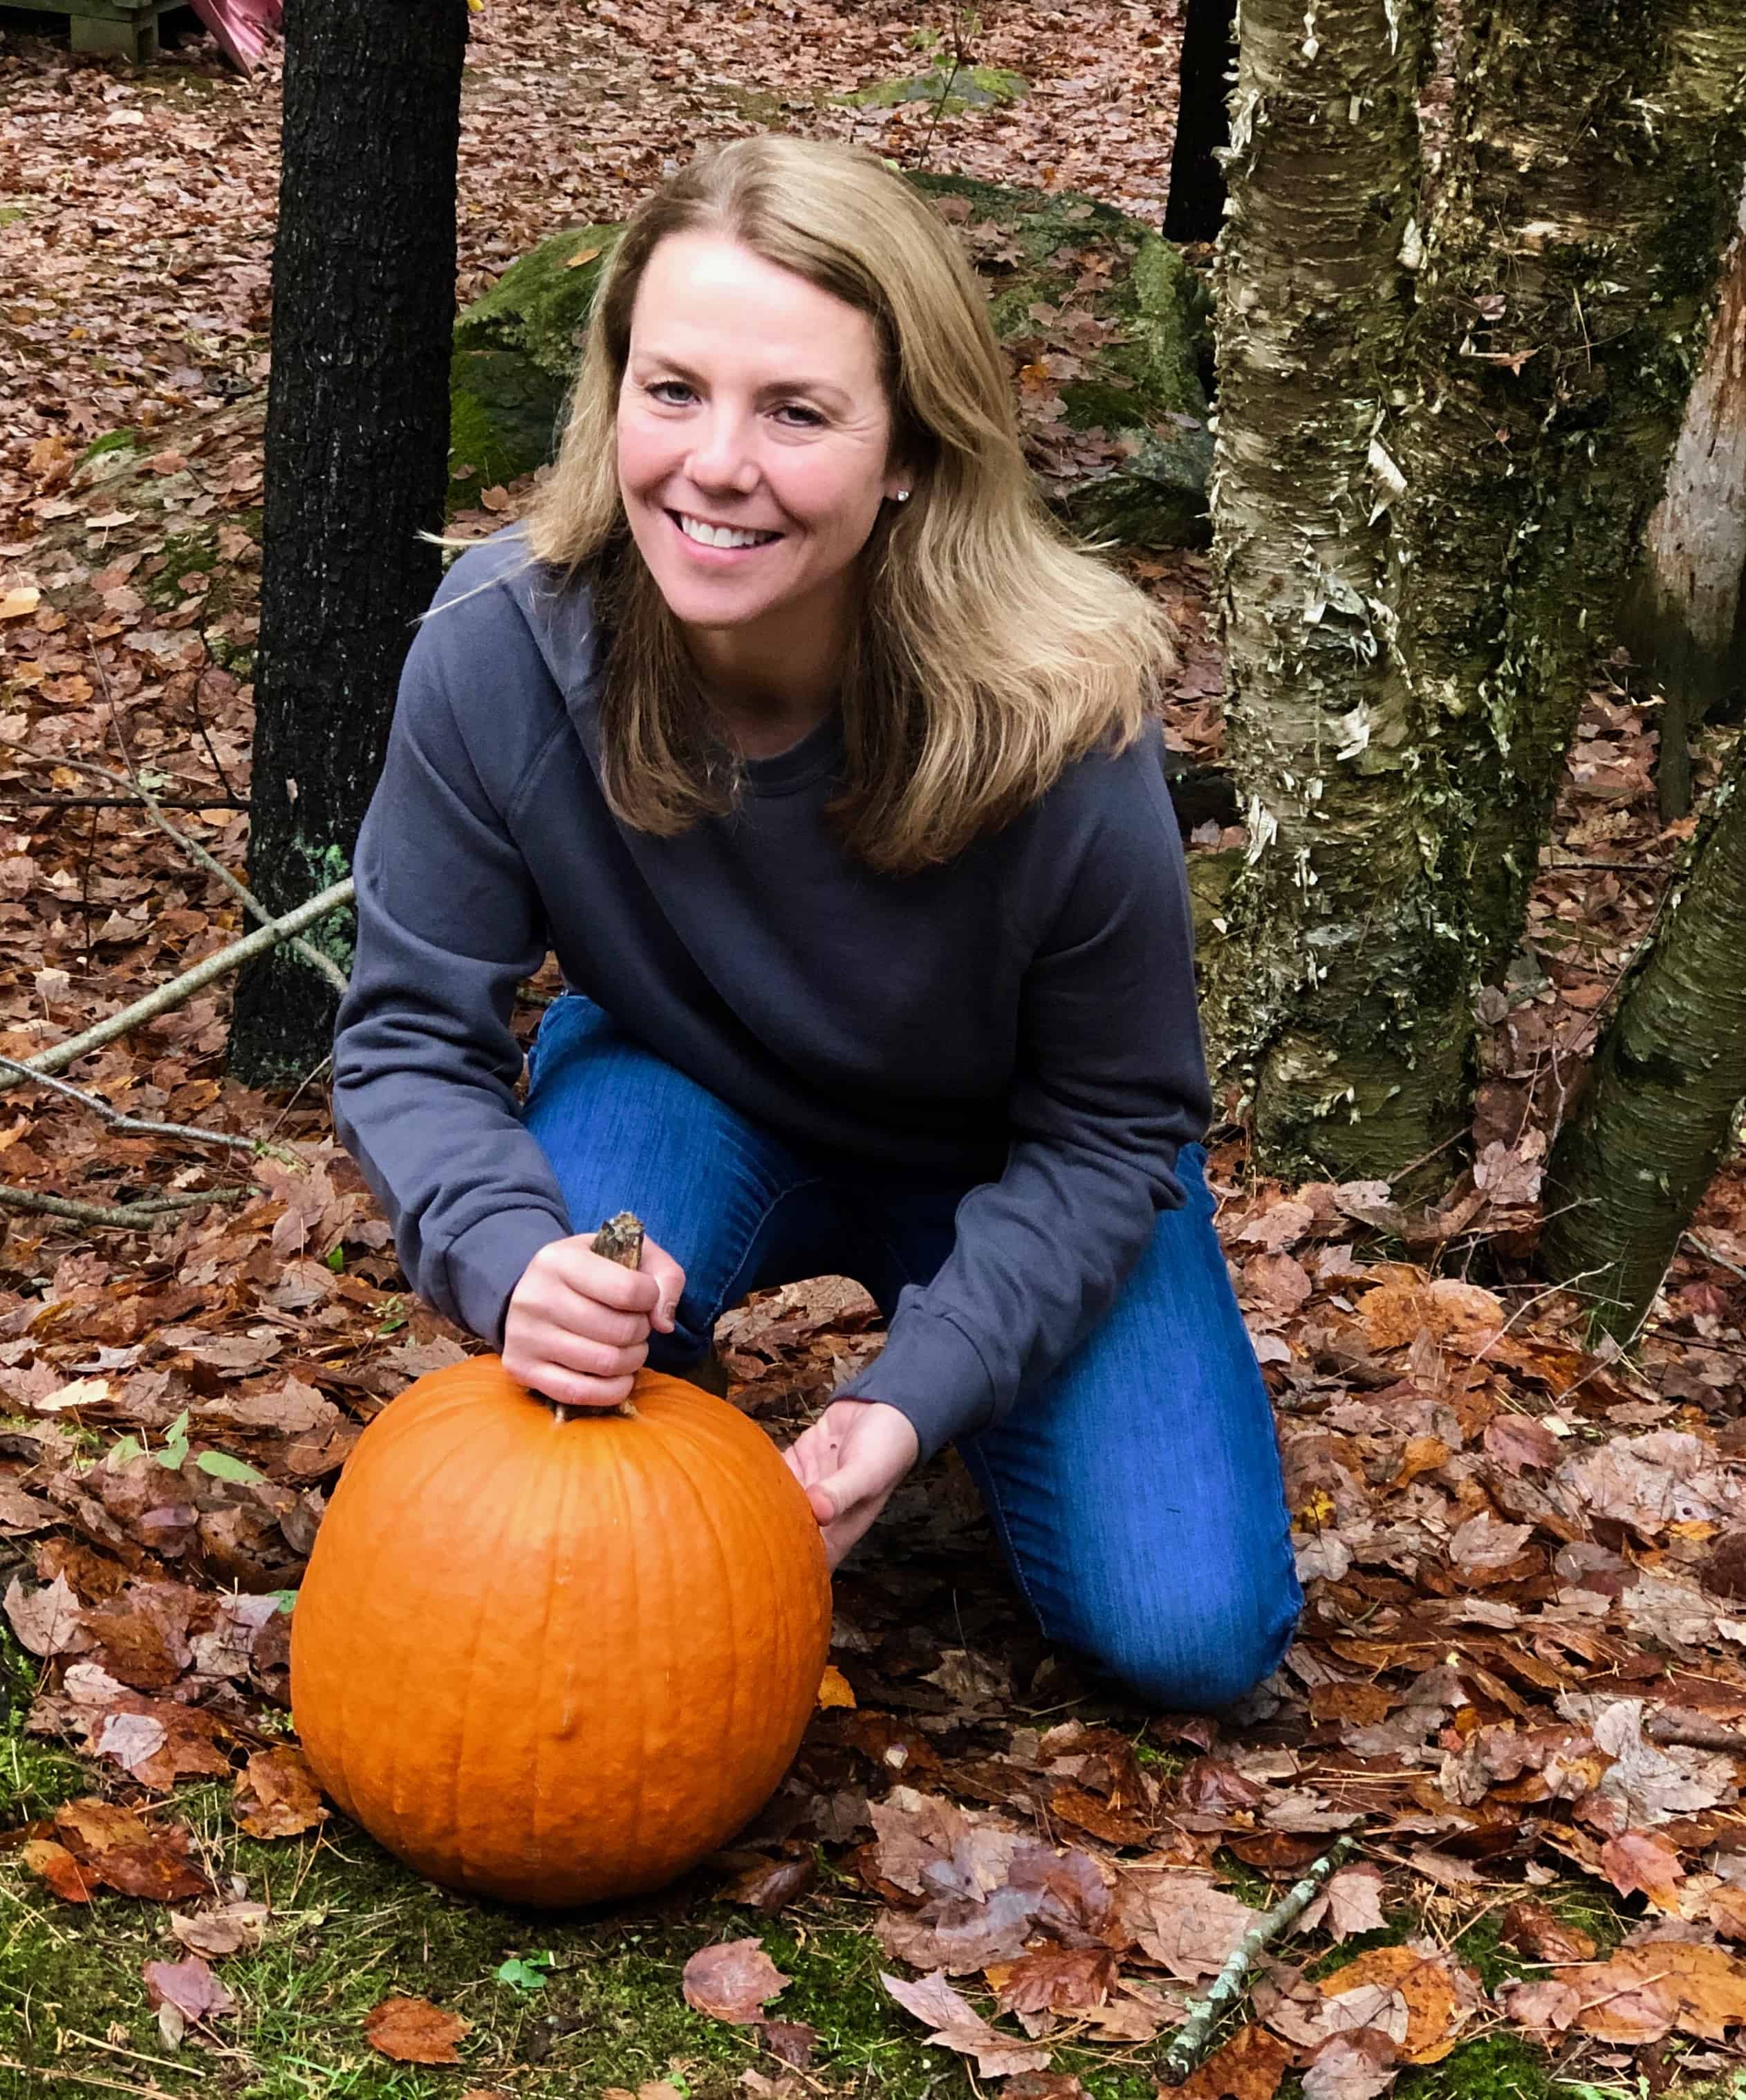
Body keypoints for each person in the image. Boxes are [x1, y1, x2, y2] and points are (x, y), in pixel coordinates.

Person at [331, 133, 1300, 1711]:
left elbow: (1118, 1122)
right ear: (614, 391)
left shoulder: (1062, 714)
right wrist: (516, 1263)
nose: (716, 464)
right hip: (681, 1084)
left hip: (1020, 1156)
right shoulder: (505, 643)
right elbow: (404, 1039)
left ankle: (1005, 1379)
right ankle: (665, 1416)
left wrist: (907, 1402)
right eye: (673, 390)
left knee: (1188, 1633)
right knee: (579, 1354)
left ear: (909, 443)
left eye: (796, 411)